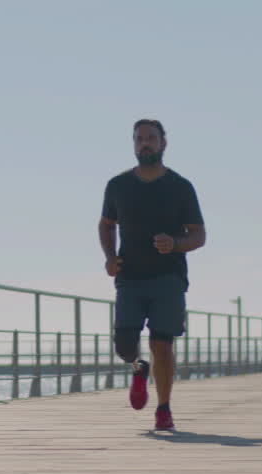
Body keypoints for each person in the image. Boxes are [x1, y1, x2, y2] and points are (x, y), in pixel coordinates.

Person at [99, 118, 206, 430]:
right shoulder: (117, 185)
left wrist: (175, 244)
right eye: (139, 138)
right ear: (134, 144)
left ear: (163, 143)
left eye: (151, 138)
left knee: (163, 344)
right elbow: (106, 224)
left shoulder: (180, 187)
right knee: (124, 346)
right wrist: (109, 257)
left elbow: (198, 235)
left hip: (168, 278)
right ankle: (137, 368)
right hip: (129, 277)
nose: (145, 143)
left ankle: (163, 408)